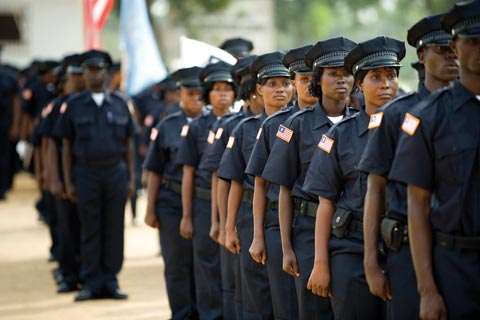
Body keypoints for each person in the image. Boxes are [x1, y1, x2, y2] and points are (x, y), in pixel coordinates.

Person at [358, 14, 458, 320]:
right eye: (441, 51)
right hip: (405, 250)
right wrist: (371, 262)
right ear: (422, 54)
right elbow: (375, 189)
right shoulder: (397, 115)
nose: (450, 57)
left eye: (454, 49)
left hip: (460, 252)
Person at [303, 36, 405, 320]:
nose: (385, 84)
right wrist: (321, 263)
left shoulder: (413, 128)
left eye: (391, 76)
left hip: (402, 246)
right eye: (375, 77)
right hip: (351, 247)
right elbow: (325, 202)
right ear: (359, 84)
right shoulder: (339, 134)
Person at [389, 1, 480, 318]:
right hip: (453, 263)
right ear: (456, 46)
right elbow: (416, 203)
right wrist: (427, 290)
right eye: (472, 41)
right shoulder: (424, 116)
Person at [262, 38, 357, 320]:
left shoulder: (362, 123)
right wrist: (287, 248)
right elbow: (284, 189)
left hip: (350, 235)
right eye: (333, 73)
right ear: (319, 79)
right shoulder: (295, 125)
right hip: (306, 229)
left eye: (347, 73)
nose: (341, 80)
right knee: (313, 310)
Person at [221, 51, 295, 319]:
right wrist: (229, 227)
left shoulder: (300, 123)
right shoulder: (245, 128)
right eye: (272, 84)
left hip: (290, 216)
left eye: (285, 83)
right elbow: (235, 182)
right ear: (258, 89)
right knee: (256, 292)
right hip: (252, 215)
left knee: (289, 296)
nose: (280, 89)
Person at [58, 50, 135, 301]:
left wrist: (132, 179)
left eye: (98, 69)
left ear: (107, 73)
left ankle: (110, 280)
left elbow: (130, 144)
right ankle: (91, 281)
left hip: (115, 171)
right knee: (89, 227)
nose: (94, 74)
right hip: (86, 172)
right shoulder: (74, 105)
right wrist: (68, 181)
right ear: (84, 74)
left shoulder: (120, 103)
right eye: (89, 70)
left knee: (114, 228)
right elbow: (66, 146)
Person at [201, 55, 262, 319]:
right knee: (238, 287)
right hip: (242, 212)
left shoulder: (287, 122)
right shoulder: (233, 127)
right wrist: (222, 222)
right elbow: (222, 178)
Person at [176, 61, 235, 319]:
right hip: (202, 203)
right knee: (207, 264)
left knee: (231, 266)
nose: (222, 94)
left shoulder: (240, 123)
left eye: (227, 89)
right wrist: (187, 215)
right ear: (208, 94)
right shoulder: (197, 127)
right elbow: (188, 172)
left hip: (233, 202)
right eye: (217, 89)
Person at [143, 66, 203, 320]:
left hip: (202, 201)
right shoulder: (167, 125)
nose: (195, 99)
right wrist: (149, 209)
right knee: (176, 262)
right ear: (179, 94)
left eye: (200, 94)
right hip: (171, 201)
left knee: (202, 262)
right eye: (189, 93)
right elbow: (155, 169)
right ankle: (181, 313)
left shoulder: (214, 124)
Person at [43, 53, 86, 293]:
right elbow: (48, 144)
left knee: (87, 229)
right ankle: (68, 274)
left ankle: (86, 273)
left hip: (88, 175)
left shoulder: (93, 103)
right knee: (66, 227)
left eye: (82, 74)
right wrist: (52, 178)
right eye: (75, 75)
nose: (79, 80)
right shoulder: (58, 107)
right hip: (63, 174)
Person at [0, 46, 21, 200]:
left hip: (5, 124)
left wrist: (15, 125)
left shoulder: (9, 77)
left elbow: (16, 102)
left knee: (5, 157)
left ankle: (3, 188)